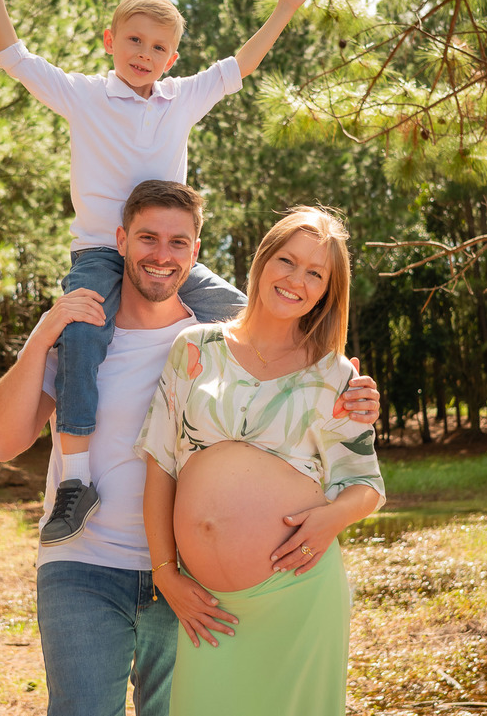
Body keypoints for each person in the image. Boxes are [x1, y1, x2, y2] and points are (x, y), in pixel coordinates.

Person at [0, 0, 327, 545]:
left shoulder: (181, 99)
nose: (144, 53)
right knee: (83, 339)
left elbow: (241, 65)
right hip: (103, 253)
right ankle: (75, 476)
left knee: (246, 314)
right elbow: (13, 58)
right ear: (110, 41)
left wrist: (285, 8)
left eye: (158, 46)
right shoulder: (82, 96)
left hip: (167, 255)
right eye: (133, 39)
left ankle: (300, 415)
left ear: (171, 58)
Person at [0, 181, 380, 716]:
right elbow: (0, 442)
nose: (161, 255)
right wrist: (49, 326)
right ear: (120, 241)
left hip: (192, 582)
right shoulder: (88, 341)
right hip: (86, 566)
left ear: (196, 252)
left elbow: (333, 446)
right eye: (148, 238)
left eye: (177, 242)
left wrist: (357, 397)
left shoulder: (211, 343)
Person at [135, 206, 385, 716]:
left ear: (327, 291)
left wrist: (332, 519)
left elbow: (367, 486)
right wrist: (165, 572)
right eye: (288, 261)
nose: (297, 279)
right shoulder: (194, 349)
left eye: (316, 273)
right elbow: (160, 463)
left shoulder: (336, 375)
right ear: (262, 259)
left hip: (298, 599)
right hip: (208, 609)